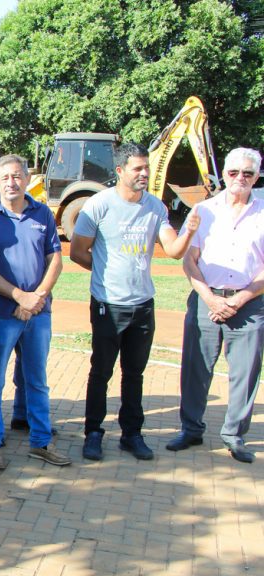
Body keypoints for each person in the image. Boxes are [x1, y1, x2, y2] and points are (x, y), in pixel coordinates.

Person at [70, 142, 199, 461]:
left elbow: (172, 250)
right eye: (137, 168)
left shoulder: (156, 207)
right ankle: (94, 433)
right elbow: (77, 251)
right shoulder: (98, 205)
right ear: (120, 171)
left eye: (147, 168)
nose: (144, 173)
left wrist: (190, 231)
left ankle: (131, 434)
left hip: (143, 305)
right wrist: (104, 271)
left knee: (135, 373)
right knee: (101, 371)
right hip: (107, 304)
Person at [167, 148, 264, 463]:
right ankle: (191, 430)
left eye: (247, 174)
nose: (240, 179)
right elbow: (189, 261)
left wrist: (239, 299)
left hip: (249, 302)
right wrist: (210, 298)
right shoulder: (204, 210)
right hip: (206, 299)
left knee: (245, 373)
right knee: (196, 368)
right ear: (224, 173)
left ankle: (234, 436)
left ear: (257, 176)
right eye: (234, 172)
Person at [0, 155, 70, 470]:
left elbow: (55, 259)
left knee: (37, 380)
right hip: (1, 313)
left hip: (39, 313)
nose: (11, 183)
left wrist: (37, 297)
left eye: (17, 177)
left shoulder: (42, 212)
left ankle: (41, 442)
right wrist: (19, 297)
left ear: (27, 179)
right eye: (4, 178)